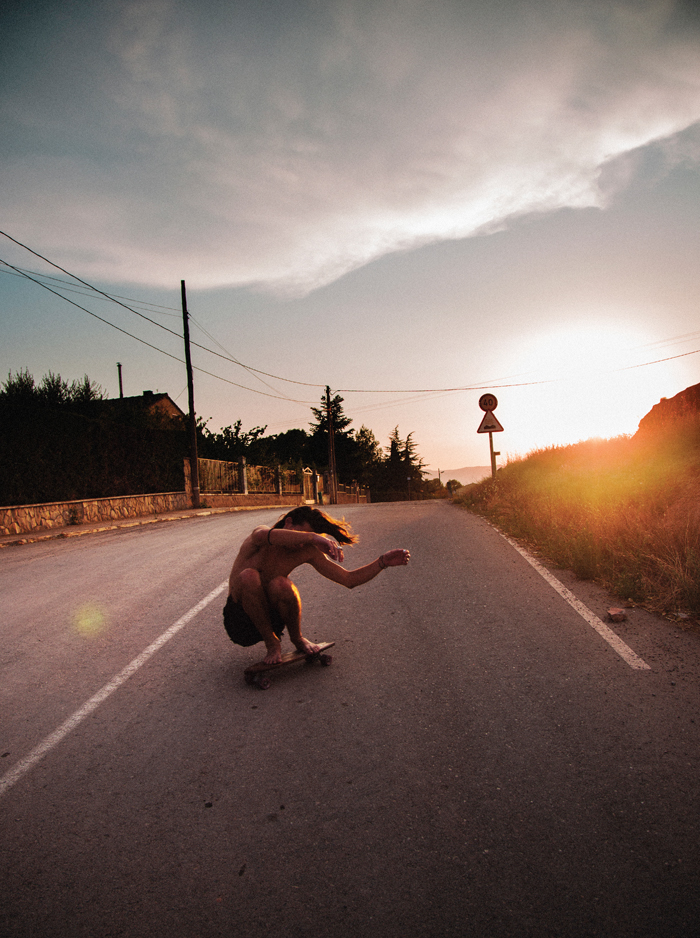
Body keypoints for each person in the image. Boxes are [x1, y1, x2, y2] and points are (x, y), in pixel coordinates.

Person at [224, 505, 410, 664]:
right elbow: (262, 535)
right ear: (288, 523)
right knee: (248, 576)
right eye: (302, 535)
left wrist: (382, 562)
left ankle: (297, 639)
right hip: (240, 622)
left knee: (282, 584)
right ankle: (272, 644)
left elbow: (349, 580)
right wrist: (312, 538)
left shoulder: (305, 551)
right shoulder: (260, 537)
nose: (300, 544)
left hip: (272, 619)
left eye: (308, 537)